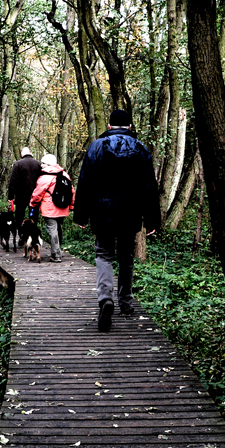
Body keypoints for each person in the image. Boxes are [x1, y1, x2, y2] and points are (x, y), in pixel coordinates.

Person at [73, 109, 161, 332]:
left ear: (110, 126)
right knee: (126, 256)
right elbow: (149, 187)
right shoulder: (141, 149)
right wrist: (152, 220)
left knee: (103, 254)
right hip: (130, 211)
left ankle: (105, 300)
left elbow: (85, 182)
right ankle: (126, 303)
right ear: (130, 126)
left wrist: (81, 214)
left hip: (102, 210)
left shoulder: (97, 147)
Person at [29, 153, 75, 263]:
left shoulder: (44, 178)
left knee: (52, 230)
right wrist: (72, 205)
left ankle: (56, 255)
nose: (41, 165)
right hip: (63, 207)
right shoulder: (64, 174)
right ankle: (58, 250)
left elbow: (37, 194)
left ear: (49, 164)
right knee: (58, 228)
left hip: (49, 209)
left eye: (43, 163)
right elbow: (71, 191)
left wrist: (32, 204)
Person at [8, 147, 42, 244]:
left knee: (19, 217)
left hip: (21, 196)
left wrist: (11, 197)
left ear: (22, 154)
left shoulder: (18, 164)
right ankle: (33, 237)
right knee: (34, 217)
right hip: (35, 196)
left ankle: (22, 235)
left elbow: (12, 182)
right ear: (30, 153)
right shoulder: (38, 164)